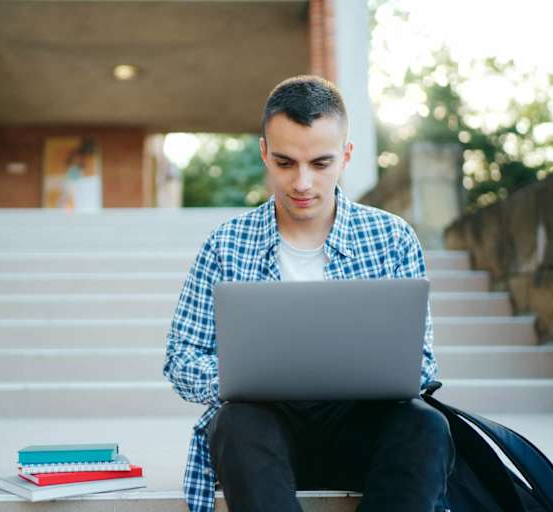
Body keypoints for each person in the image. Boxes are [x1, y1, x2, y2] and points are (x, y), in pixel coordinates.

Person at [162, 75, 455, 512]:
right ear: (264, 152)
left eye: (320, 163)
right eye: (284, 163)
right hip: (265, 442)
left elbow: (421, 364)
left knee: (427, 426)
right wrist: (249, 378)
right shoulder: (225, 244)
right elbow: (181, 360)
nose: (301, 183)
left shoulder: (392, 237)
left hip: (363, 436)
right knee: (235, 423)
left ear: (346, 157)